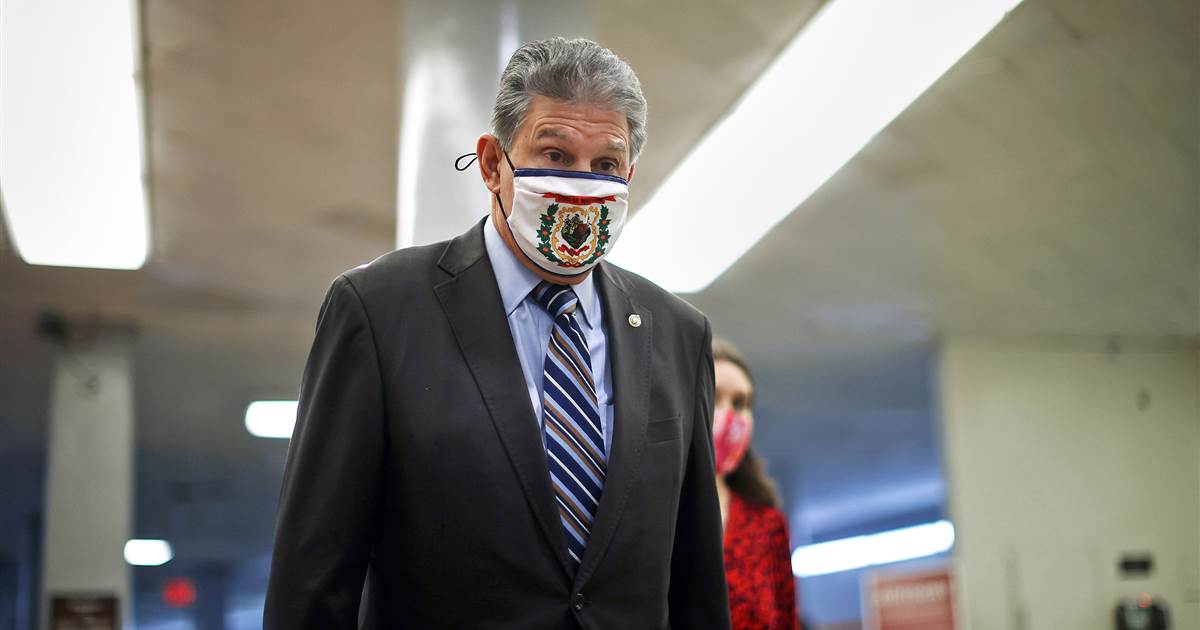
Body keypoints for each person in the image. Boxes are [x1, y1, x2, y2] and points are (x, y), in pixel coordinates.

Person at [263, 38, 731, 629]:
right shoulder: (379, 311)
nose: (581, 185)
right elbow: (313, 577)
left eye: (605, 166)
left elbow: (695, 585)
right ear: (492, 164)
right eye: (555, 155)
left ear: (629, 175)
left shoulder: (678, 334)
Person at [712, 340, 800, 630]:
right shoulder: (650, 515)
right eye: (713, 398)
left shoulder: (767, 526)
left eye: (740, 403)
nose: (728, 415)